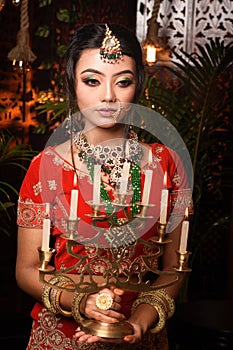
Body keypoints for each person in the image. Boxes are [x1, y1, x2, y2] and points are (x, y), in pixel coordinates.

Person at [16, 23, 193, 350]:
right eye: (92, 80)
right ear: (72, 83)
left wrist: (142, 317)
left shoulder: (166, 165)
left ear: (138, 84)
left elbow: (174, 265)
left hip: (140, 334)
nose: (108, 95)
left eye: (122, 81)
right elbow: (27, 269)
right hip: (61, 336)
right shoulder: (47, 166)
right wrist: (79, 302)